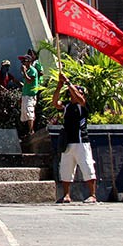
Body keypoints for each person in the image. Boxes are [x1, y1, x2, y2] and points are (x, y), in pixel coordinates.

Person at [52, 72, 97, 204]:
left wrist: (68, 82)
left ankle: (92, 194)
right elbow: (55, 102)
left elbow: (81, 99)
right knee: (66, 169)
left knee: (87, 167)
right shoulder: (67, 106)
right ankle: (66, 195)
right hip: (68, 142)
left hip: (81, 141)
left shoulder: (83, 105)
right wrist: (59, 87)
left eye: (77, 92)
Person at [19, 54, 40, 136]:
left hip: (30, 95)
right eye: (22, 61)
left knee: (29, 112)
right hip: (25, 94)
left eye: (24, 61)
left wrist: (24, 72)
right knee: (24, 114)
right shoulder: (27, 71)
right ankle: (26, 131)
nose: (23, 63)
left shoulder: (32, 71)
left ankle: (31, 131)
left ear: (29, 62)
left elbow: (29, 81)